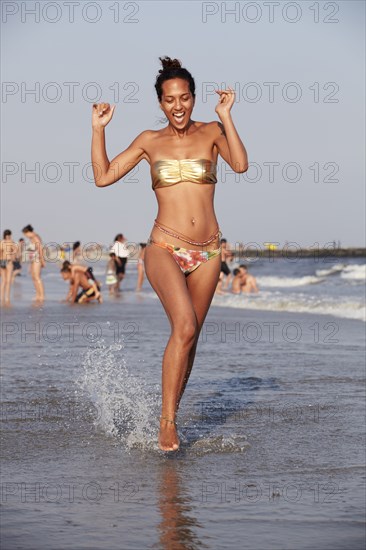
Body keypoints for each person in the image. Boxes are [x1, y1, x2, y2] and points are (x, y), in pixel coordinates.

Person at [91, 56, 248, 451]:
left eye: (184, 98)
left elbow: (242, 165)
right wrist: (97, 130)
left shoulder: (212, 131)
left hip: (209, 253)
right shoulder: (149, 140)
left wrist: (226, 115)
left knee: (190, 337)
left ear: (193, 98)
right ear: (160, 103)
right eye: (168, 99)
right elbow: (103, 176)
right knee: (185, 326)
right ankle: (167, 422)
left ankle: (170, 413)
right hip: (163, 246)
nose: (177, 106)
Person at [22, 224, 46, 302]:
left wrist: (42, 261)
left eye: (25, 234)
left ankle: (42, 295)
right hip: (33, 260)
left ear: (28, 232)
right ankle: (37, 295)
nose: (25, 236)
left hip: (37, 259)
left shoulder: (36, 237)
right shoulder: (31, 238)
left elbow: (40, 249)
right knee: (34, 277)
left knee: (37, 277)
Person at [0, 230, 18, 305]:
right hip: (5, 261)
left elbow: (15, 250)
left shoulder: (2, 242)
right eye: (7, 235)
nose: (8, 236)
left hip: (5, 261)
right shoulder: (10, 242)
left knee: (6, 281)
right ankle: (5, 298)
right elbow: (16, 250)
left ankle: (4, 298)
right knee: (5, 281)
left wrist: (13, 256)